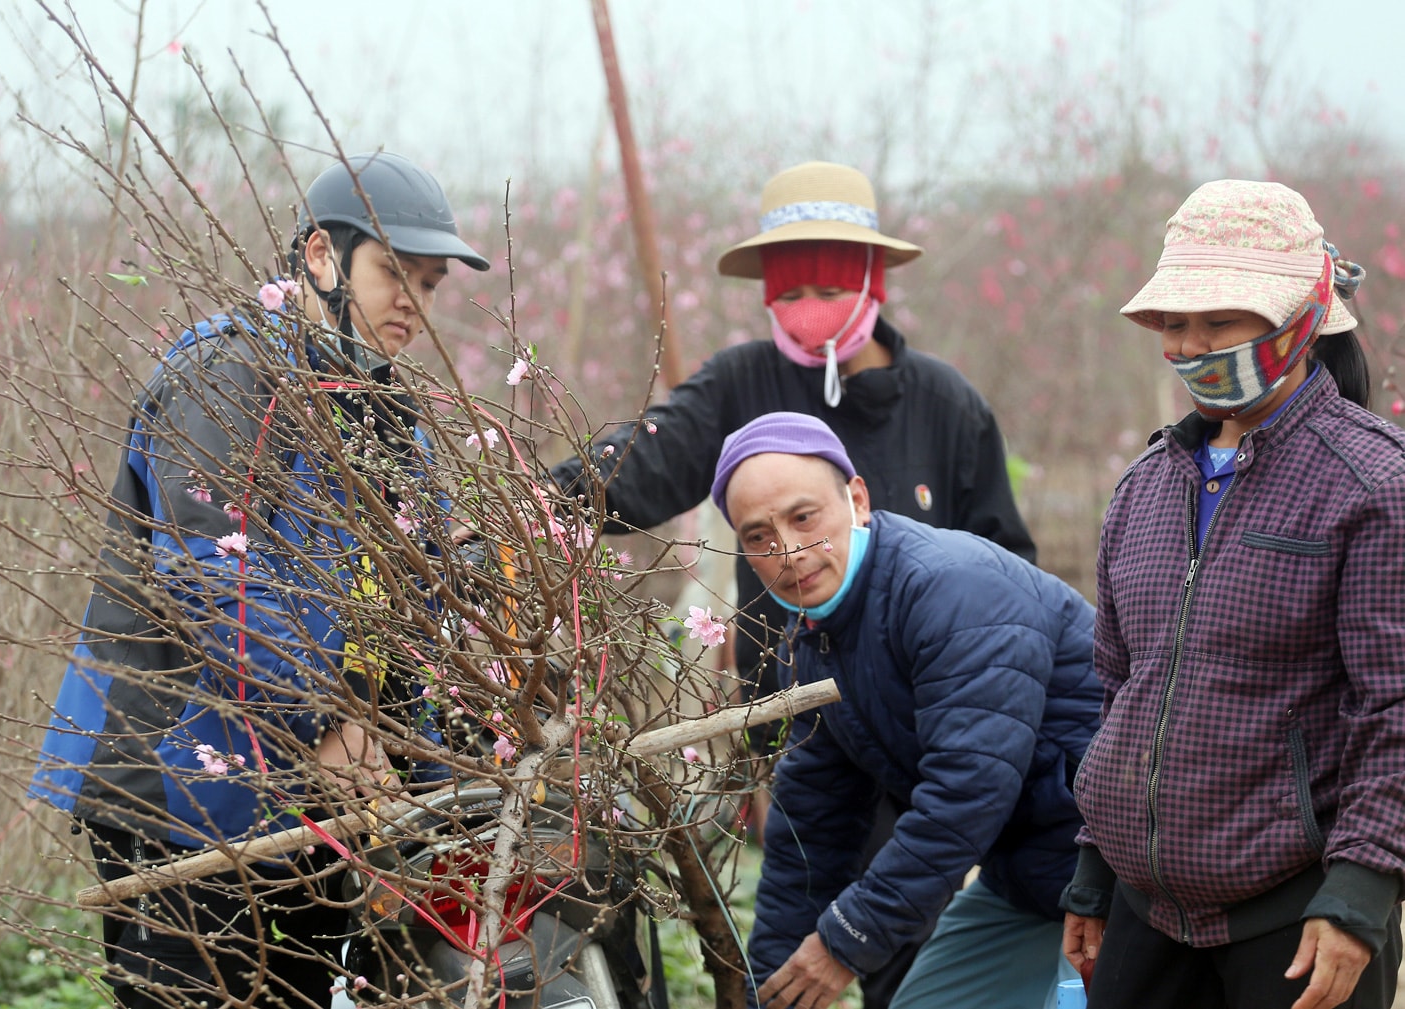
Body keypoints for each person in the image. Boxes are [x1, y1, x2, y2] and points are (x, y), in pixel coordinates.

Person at [549, 163, 1035, 1004]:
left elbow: (1007, 572)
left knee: (907, 959)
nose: (808, 299)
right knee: (788, 928)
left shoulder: (945, 407)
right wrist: (544, 499)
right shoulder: (744, 385)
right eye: (791, 281)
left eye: (829, 279)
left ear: (873, 279)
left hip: (931, 735)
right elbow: (652, 459)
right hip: (805, 731)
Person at [28, 152, 490, 1008]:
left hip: (310, 797)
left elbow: (414, 594)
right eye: (396, 274)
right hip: (177, 781)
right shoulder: (227, 373)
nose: (413, 305)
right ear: (320, 255)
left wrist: (420, 752)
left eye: (429, 283)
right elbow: (210, 569)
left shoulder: (393, 410)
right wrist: (327, 719)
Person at [1060, 180, 1405, 1009]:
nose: (1191, 345)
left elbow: (1393, 707)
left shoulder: (1373, 483)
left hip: (1296, 917)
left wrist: (1361, 891)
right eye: (1176, 324)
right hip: (1147, 914)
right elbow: (1122, 692)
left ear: (1297, 319)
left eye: (1219, 321)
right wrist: (1094, 865)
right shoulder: (1145, 486)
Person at [710, 411, 1099, 1009]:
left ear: (857, 499)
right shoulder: (814, 638)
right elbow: (814, 822)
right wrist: (772, 990)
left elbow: (968, 791)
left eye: (803, 517)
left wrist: (844, 944)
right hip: (1027, 876)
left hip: (1125, 866)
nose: (787, 552)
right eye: (759, 536)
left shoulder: (952, 589)